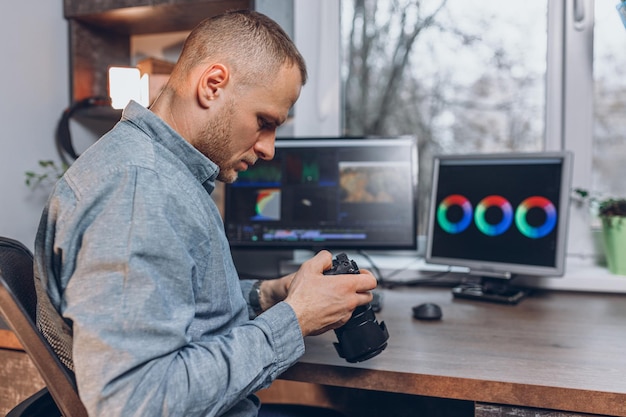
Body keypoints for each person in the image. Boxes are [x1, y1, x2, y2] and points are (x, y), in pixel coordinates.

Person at [33, 9, 377, 417]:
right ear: (213, 85)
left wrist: (267, 297)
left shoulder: (164, 173)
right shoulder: (138, 191)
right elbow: (133, 402)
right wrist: (295, 319)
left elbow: (180, 306)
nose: (269, 148)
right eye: (264, 122)